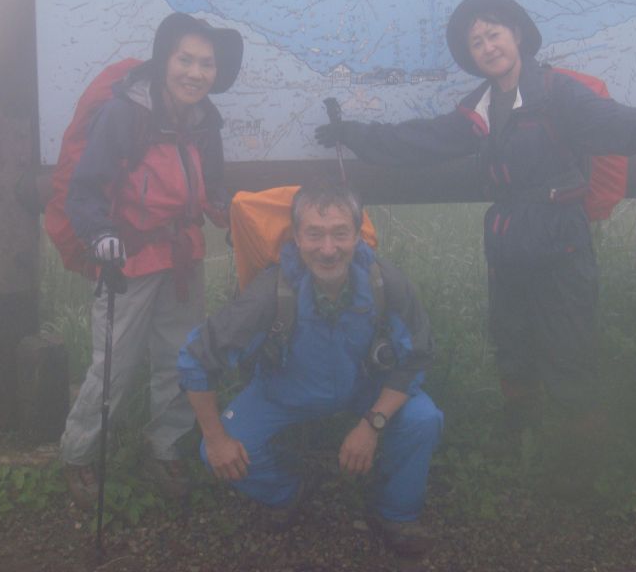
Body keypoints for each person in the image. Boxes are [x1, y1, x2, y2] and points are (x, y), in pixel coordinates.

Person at [315, 0, 636, 445]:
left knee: (570, 344)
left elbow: (615, 122)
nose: (487, 46)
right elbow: (421, 140)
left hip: (561, 238)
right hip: (507, 243)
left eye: (493, 34)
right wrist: (353, 133)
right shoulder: (478, 109)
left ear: (517, 35)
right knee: (512, 340)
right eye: (476, 42)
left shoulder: (557, 93)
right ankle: (520, 433)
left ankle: (581, 453)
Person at [178, 178, 442, 558]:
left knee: (423, 418)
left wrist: (372, 424)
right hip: (283, 392)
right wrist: (217, 437)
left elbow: (415, 357)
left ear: (357, 236)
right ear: (297, 239)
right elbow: (197, 357)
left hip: (361, 388)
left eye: (339, 234)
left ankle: (395, 513)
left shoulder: (386, 282)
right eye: (314, 235)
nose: (328, 249)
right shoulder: (270, 293)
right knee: (212, 450)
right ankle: (292, 488)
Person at [60, 12, 243, 509]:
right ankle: (78, 454)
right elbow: (84, 191)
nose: (195, 72)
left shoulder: (205, 121)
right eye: (185, 59)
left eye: (206, 63)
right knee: (114, 365)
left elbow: (214, 187)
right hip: (129, 259)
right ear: (165, 60)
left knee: (178, 357)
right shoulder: (125, 114)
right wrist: (100, 235)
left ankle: (163, 448)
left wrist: (237, 217)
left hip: (182, 257)